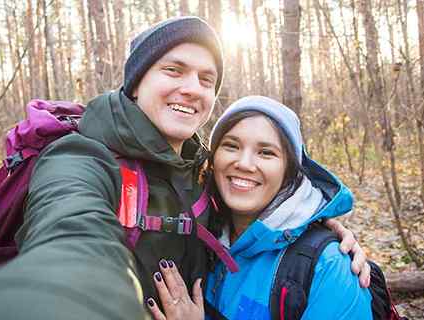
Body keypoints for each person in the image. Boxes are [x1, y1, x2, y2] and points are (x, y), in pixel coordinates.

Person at [0, 18, 367, 320]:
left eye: (206, 80)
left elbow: (258, 215)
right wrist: (61, 299)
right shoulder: (81, 157)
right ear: (137, 82)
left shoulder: (201, 168)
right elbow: (74, 240)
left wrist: (316, 228)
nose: (191, 89)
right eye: (174, 69)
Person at [147, 96, 372, 319]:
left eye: (266, 152)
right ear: (213, 159)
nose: (244, 163)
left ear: (290, 170)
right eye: (231, 146)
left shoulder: (329, 267)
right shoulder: (201, 234)